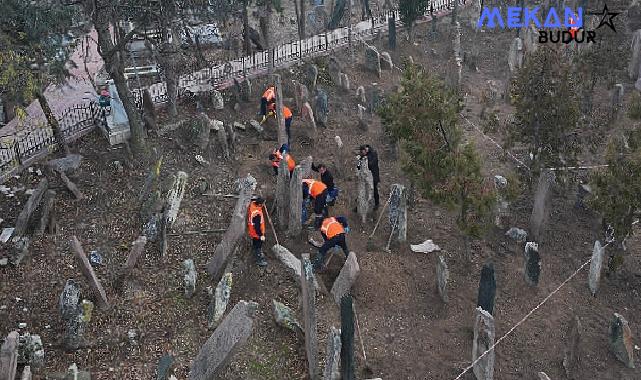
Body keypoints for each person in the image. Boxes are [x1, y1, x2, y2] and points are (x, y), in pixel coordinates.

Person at [357, 144, 380, 209]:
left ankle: (376, 204)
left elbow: (371, 164)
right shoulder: (363, 155)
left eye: (363, 152)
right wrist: (360, 160)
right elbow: (358, 166)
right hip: (365, 176)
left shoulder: (373, 153)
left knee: (374, 190)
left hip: (374, 175)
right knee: (363, 190)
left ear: (365, 149)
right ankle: (360, 206)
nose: (363, 153)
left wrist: (365, 159)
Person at [247, 196, 268, 267]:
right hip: (256, 233)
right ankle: (259, 260)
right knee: (258, 246)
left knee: (255, 243)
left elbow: (253, 199)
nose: (264, 205)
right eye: (263, 204)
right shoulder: (257, 214)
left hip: (252, 232)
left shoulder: (252, 205)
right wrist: (261, 235)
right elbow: (257, 227)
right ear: (259, 204)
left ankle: (254, 250)